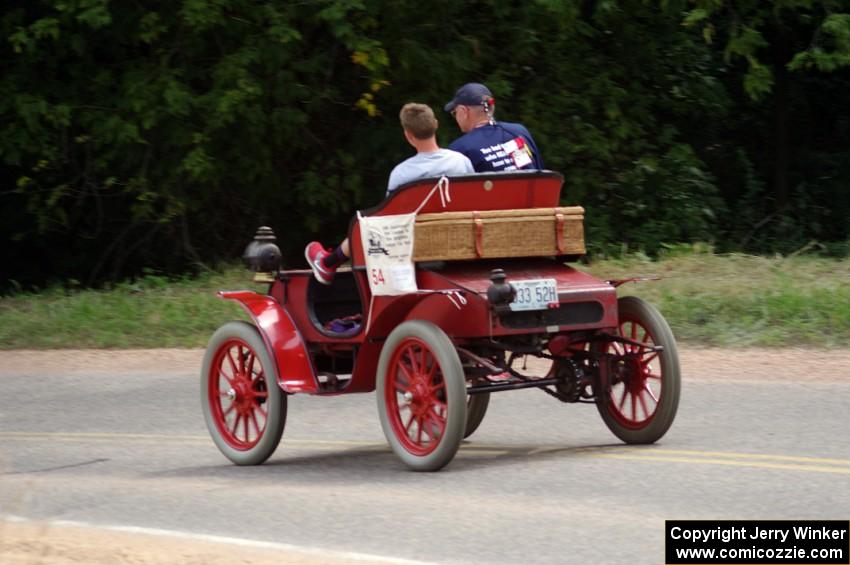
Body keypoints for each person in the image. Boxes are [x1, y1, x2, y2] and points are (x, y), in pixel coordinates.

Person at [304, 102, 473, 284]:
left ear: (408, 135)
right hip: (458, 238)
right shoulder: (461, 162)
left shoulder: (402, 173)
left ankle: (328, 263)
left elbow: (388, 219)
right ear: (436, 125)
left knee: (367, 224)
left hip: (415, 245)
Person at [444, 82, 543, 172]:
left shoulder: (460, 149)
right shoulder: (518, 132)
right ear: (492, 107)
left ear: (464, 111)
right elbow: (537, 173)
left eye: (455, 113)